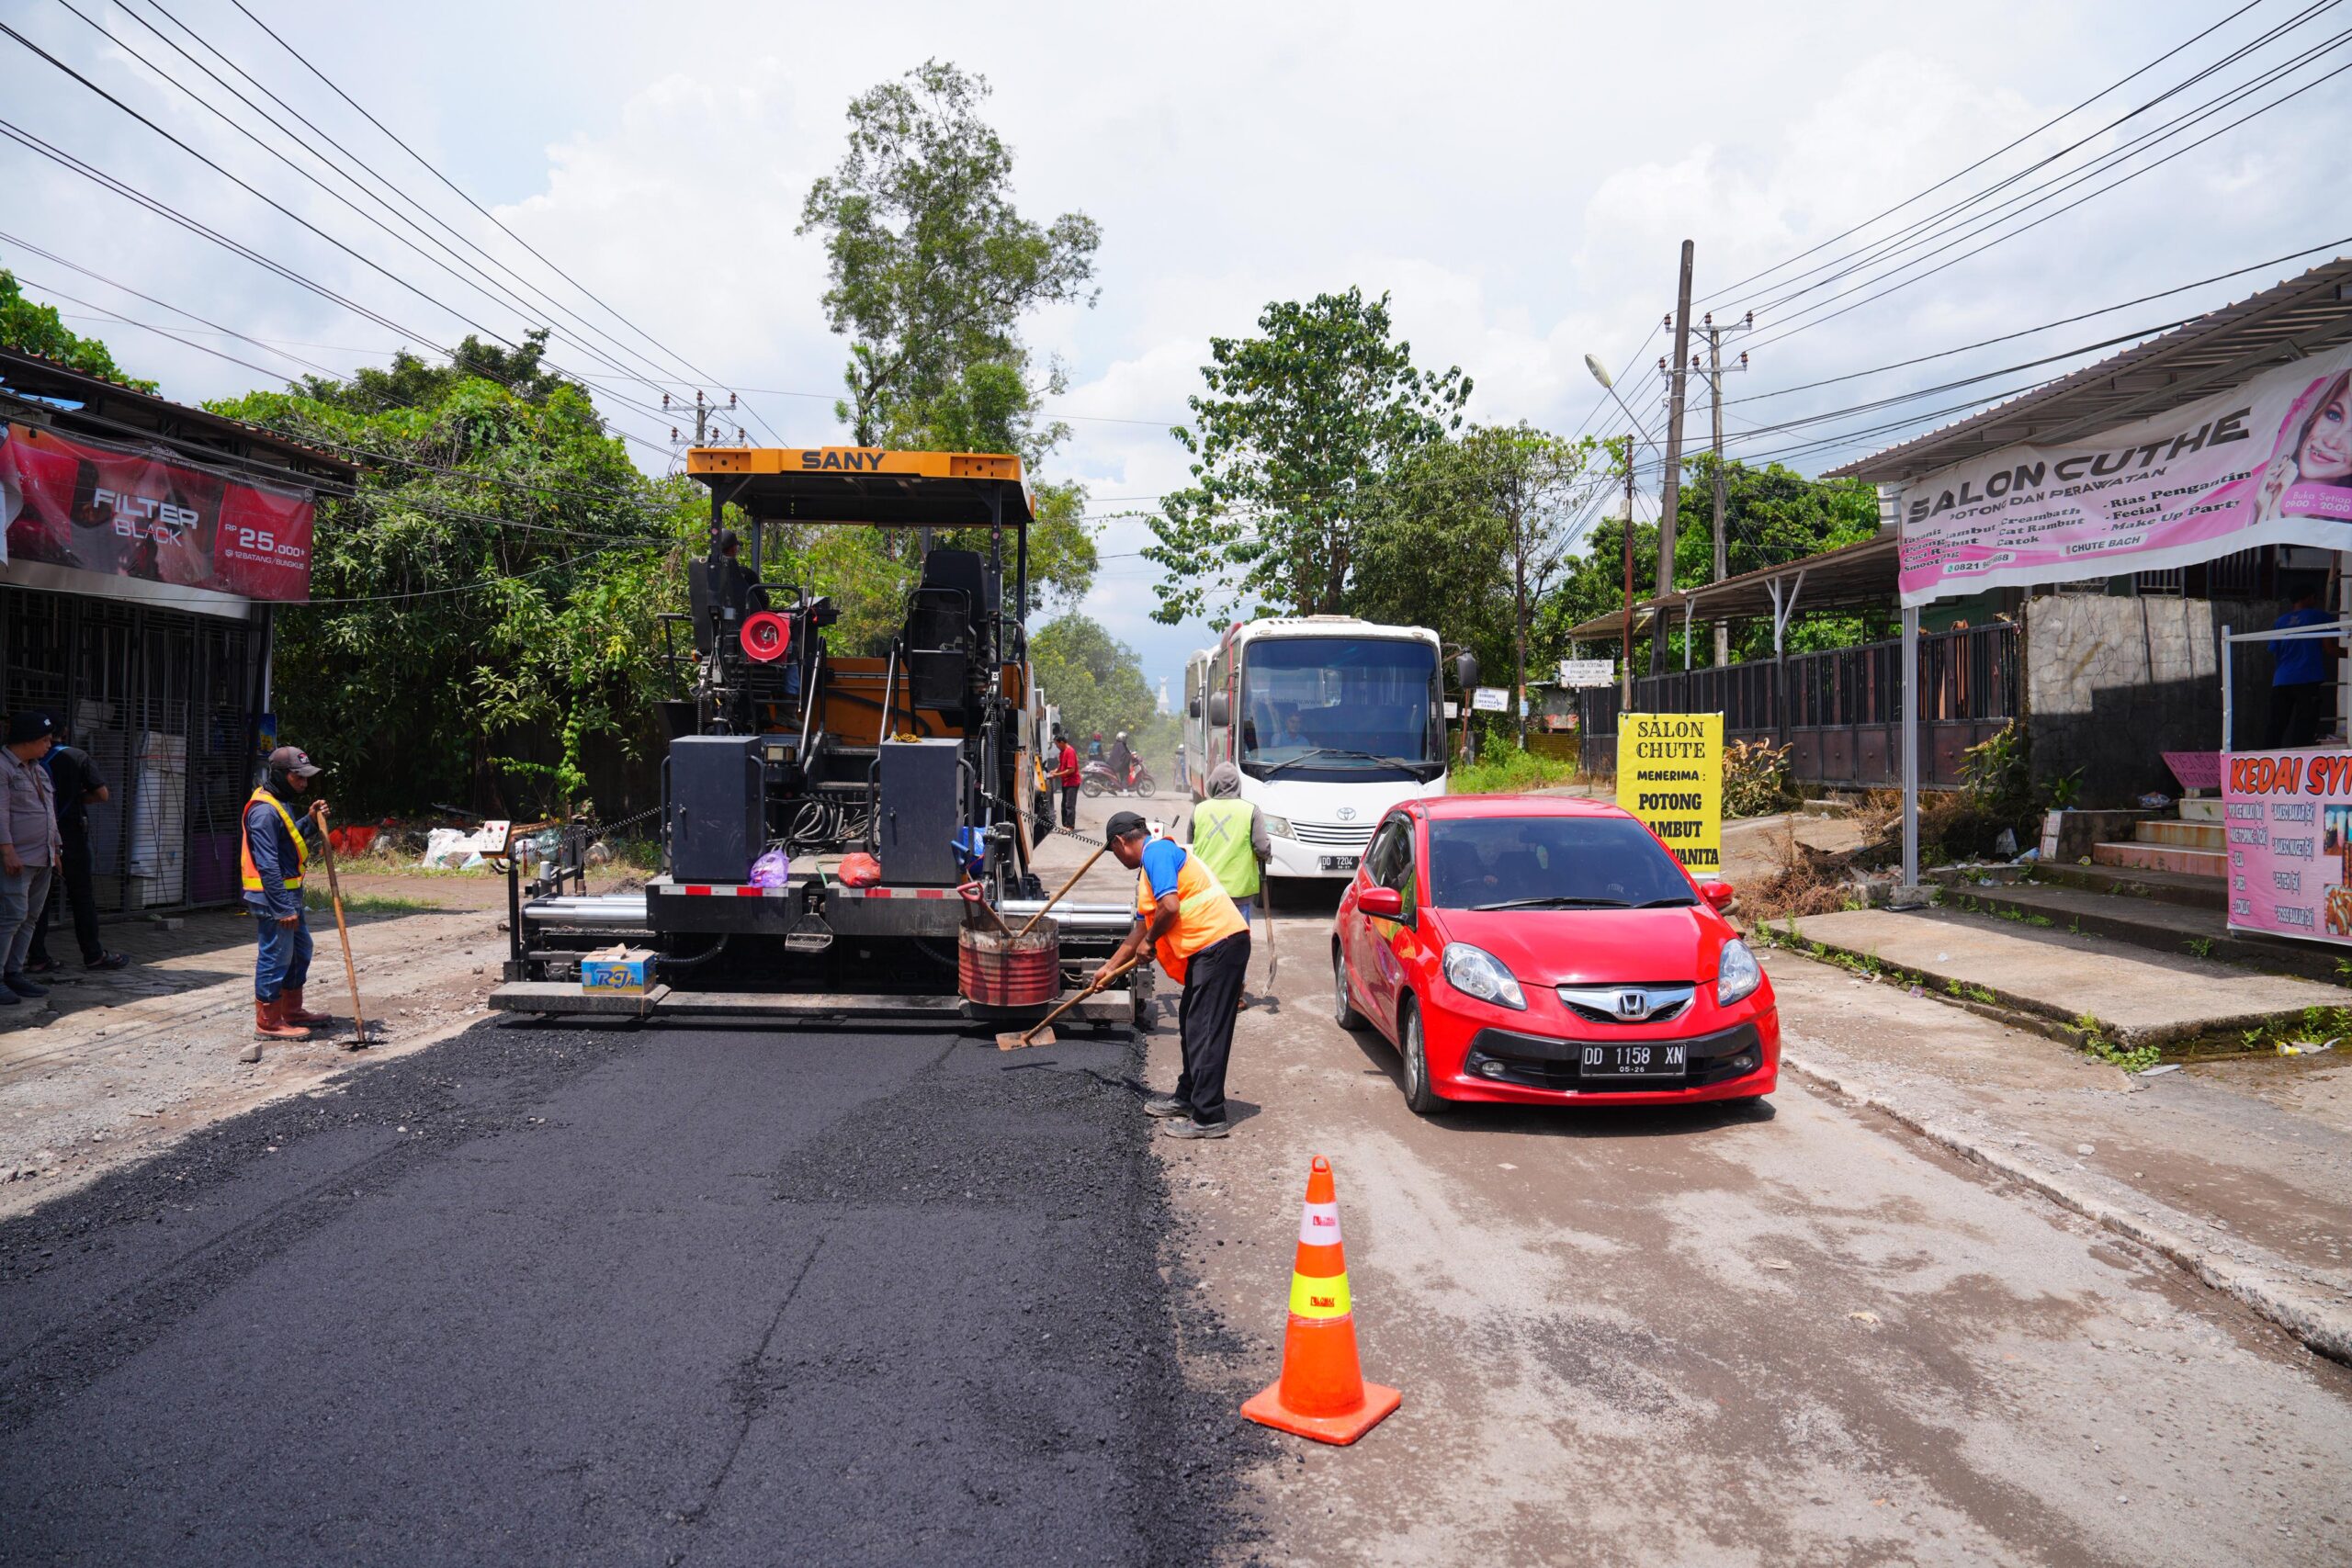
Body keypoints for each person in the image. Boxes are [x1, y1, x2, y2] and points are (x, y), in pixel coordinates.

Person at [1091, 810, 1250, 1140]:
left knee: (1205, 1029)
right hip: (1208, 948)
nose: (1117, 858)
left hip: (1220, 943)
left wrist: (1151, 943)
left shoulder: (1158, 853)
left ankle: (1209, 1116)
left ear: (1120, 842)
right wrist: (1109, 968)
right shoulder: (1150, 867)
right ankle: (1188, 1096)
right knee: (1191, 1023)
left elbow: (1171, 907)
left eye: (1114, 852)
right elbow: (1141, 929)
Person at [243, 745, 334, 1043]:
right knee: (276, 956)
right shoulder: (263, 811)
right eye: (299, 778)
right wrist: (283, 907)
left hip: (289, 895)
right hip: (274, 899)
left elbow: (288, 841)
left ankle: (291, 1011)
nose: (304, 784)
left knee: (300, 951)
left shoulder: (279, 803)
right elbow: (268, 863)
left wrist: (308, 820)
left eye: (306, 778)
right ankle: (268, 1022)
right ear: (281, 775)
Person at [25, 722, 129, 975]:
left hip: (37, 835)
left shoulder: (26, 761)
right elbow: (102, 794)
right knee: (82, 896)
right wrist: (76, 798)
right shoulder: (76, 756)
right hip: (70, 835)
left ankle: (37, 956)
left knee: (39, 900)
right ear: (65, 732)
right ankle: (93, 954)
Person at [0, 711, 62, 1007]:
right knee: (11, 916)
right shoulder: (3, 767)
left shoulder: (37, 769)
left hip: (42, 857)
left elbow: (49, 811)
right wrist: (7, 850)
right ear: (28, 740)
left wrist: (57, 848)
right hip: (16, 858)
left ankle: (15, 973)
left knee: (30, 917)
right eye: (44, 739)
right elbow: (0, 813)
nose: (49, 744)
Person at [2256, 370, 2352, 524]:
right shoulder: (2261, 487)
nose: (2332, 442)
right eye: (2334, 415)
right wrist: (2266, 505)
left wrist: (2273, 510)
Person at [1187, 762, 1269, 927]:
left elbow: (1190, 849)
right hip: (1239, 892)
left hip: (1206, 891)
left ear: (1212, 783)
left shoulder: (1199, 810)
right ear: (1238, 785)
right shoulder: (1251, 810)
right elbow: (1263, 848)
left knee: (1209, 941)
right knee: (1237, 942)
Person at [2265, 585, 2338, 749]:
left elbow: (2274, 650)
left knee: (2277, 723)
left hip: (2282, 679)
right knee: (2305, 722)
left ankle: (2266, 759)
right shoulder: (2320, 616)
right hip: (2307, 677)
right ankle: (2301, 758)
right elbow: (2330, 648)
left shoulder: (2280, 621)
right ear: (2309, 597)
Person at [1055, 728, 1081, 831]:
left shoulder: (1070, 751)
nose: (1056, 747)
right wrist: (1055, 771)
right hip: (1065, 782)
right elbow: (1061, 764)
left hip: (1072, 782)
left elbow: (1071, 769)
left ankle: (1070, 826)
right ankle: (1066, 825)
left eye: (1057, 744)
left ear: (1062, 742)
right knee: (1064, 804)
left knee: (1069, 805)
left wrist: (1057, 775)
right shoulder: (1062, 752)